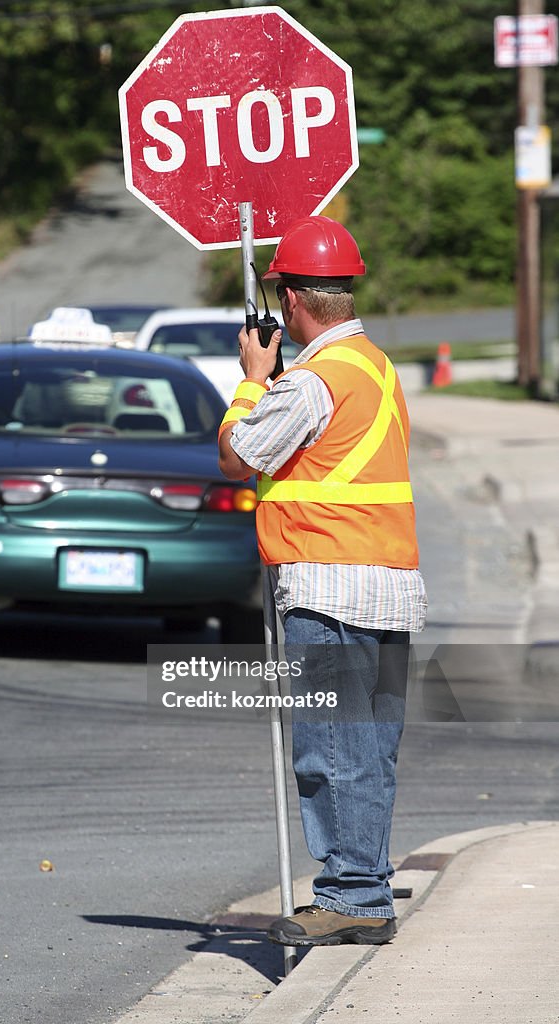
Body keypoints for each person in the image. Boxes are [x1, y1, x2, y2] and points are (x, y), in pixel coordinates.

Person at [218, 217, 427, 948]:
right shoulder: (373, 364)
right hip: (389, 587)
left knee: (332, 751)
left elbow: (241, 454)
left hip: (329, 589)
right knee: (366, 750)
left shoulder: (311, 380)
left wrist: (250, 384)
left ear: (293, 302)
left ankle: (350, 896)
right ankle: (363, 892)